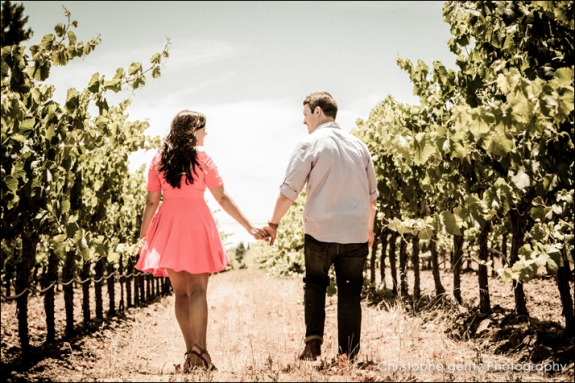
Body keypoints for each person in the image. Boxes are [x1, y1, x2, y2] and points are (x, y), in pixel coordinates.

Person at [136, 110, 267, 372]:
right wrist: (249, 226)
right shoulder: (204, 159)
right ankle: (201, 351)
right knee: (198, 290)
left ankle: (191, 354)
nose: (206, 134)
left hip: (169, 226)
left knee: (181, 293)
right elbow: (222, 198)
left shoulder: (158, 159)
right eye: (203, 128)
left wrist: (142, 237)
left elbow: (152, 201)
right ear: (191, 130)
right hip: (196, 223)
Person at [263, 92, 378, 361]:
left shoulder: (310, 144)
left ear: (317, 112)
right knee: (350, 290)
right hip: (355, 232)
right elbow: (373, 198)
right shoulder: (360, 146)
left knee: (315, 283)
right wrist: (368, 230)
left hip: (320, 231)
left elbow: (288, 191)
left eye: (305, 115)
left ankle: (312, 346)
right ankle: (348, 355)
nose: (304, 122)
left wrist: (273, 224)